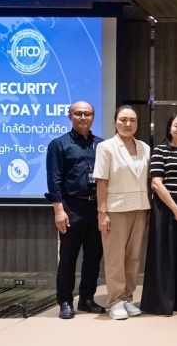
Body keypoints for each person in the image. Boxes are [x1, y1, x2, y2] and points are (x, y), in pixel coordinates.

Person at [45, 101, 106, 319]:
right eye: (78, 113)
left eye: (87, 114)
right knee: (68, 257)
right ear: (70, 116)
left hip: (96, 207)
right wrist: (58, 210)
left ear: (93, 117)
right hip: (71, 207)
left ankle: (87, 299)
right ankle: (65, 301)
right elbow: (54, 180)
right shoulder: (58, 144)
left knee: (93, 256)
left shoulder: (101, 145)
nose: (83, 117)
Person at [94, 106, 151, 320]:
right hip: (115, 208)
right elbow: (101, 181)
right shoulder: (106, 147)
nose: (128, 124)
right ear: (115, 122)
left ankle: (127, 298)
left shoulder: (145, 147)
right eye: (123, 119)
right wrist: (102, 212)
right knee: (115, 257)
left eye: (132, 120)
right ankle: (115, 301)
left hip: (140, 207)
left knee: (133, 257)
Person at [141, 113, 177, 316]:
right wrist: (176, 209)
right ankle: (162, 303)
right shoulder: (160, 150)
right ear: (169, 128)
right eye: (176, 126)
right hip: (165, 208)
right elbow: (156, 183)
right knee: (163, 255)